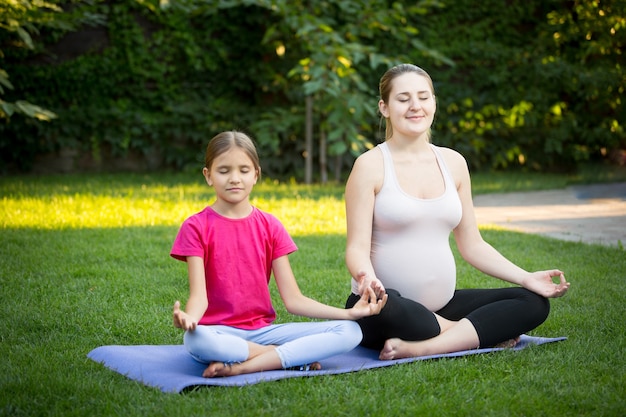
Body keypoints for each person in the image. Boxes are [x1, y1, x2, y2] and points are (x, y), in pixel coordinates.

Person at [344, 64, 570, 360]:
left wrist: (526, 277)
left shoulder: (453, 163)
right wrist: (367, 279)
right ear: (384, 108)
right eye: (403, 99)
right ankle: (467, 333)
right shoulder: (369, 165)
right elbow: (356, 248)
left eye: (424, 97)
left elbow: (472, 244)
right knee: (388, 308)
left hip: (443, 304)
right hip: (384, 306)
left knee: (532, 302)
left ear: (434, 103)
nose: (415, 106)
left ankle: (425, 346)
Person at [171, 130, 387, 378]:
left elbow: (294, 300)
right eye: (223, 171)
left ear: (256, 175)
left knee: (351, 332)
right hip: (219, 333)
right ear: (208, 176)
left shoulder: (270, 226)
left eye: (243, 170)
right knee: (196, 340)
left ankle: (244, 366)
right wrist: (190, 318)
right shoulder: (196, 227)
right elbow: (200, 297)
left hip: (263, 330)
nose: (234, 178)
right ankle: (282, 355)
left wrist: (349, 314)